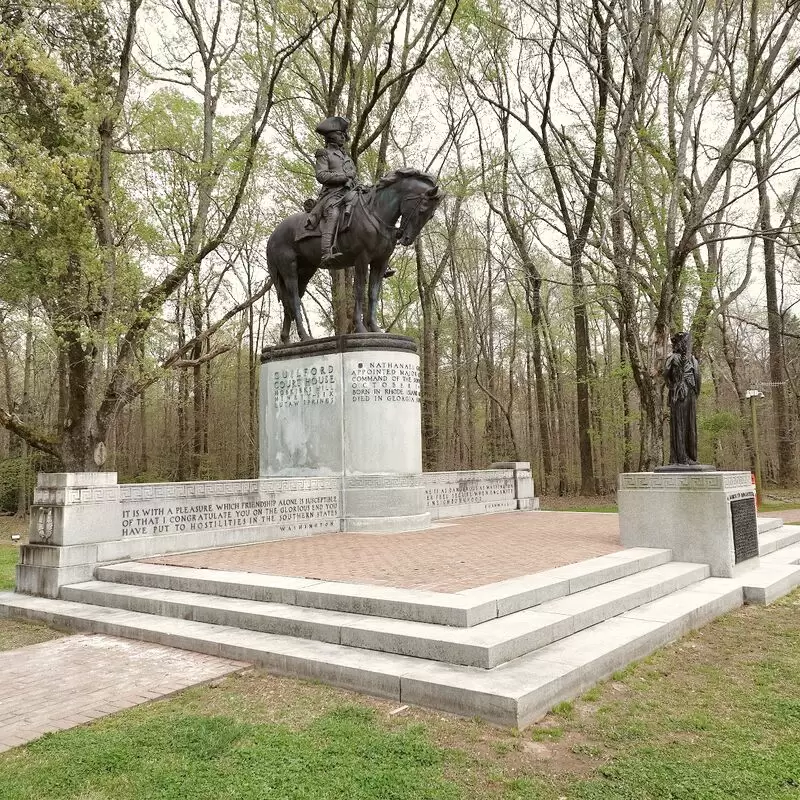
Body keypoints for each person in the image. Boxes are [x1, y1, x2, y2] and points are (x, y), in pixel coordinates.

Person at [310, 116, 395, 276]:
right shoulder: (324, 153)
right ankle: (326, 253)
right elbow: (321, 175)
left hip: (352, 191)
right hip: (332, 195)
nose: (343, 137)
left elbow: (354, 176)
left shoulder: (346, 156)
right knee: (333, 213)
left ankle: (381, 257)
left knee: (369, 213)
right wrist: (343, 178)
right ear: (331, 136)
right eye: (340, 134)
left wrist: (359, 184)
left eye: (343, 134)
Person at [663, 331, 701, 465]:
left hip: (689, 393)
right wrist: (674, 386)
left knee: (689, 424)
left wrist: (694, 391)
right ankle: (681, 457)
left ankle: (690, 456)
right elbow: (665, 375)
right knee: (680, 424)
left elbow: (697, 377)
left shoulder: (692, 360)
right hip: (680, 394)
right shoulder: (672, 358)